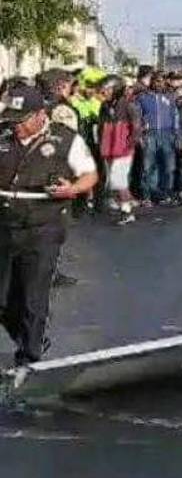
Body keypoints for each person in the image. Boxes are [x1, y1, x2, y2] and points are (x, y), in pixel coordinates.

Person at [0, 84, 99, 369]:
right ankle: (28, 337)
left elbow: (89, 175)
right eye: (11, 119)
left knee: (34, 295)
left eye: (21, 120)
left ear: (40, 115)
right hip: (6, 224)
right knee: (3, 298)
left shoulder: (65, 139)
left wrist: (72, 189)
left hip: (43, 226)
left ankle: (29, 358)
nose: (15, 125)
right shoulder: (3, 136)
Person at [99, 80, 141, 223]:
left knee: (118, 181)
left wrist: (130, 144)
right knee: (116, 182)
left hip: (123, 149)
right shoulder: (105, 106)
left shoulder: (129, 106)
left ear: (116, 89)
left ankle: (127, 212)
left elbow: (136, 127)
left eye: (108, 88)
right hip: (109, 148)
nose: (104, 91)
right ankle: (128, 205)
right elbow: (102, 126)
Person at [137, 73, 180, 206]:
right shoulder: (143, 98)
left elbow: (175, 116)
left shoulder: (171, 97)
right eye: (156, 81)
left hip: (167, 134)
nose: (159, 84)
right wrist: (140, 135)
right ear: (152, 82)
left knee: (168, 167)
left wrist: (176, 135)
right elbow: (137, 117)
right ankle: (147, 196)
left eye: (161, 81)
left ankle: (166, 194)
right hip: (150, 134)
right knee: (148, 166)